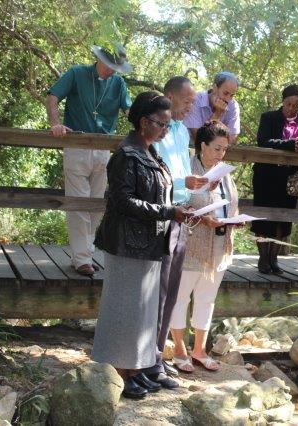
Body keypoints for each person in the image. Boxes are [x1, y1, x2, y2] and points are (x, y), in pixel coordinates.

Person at [91, 91, 191, 400]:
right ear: (144, 122)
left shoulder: (150, 152)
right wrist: (167, 212)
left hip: (148, 242)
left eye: (168, 125)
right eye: (162, 124)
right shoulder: (126, 154)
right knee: (123, 308)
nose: (166, 130)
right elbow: (122, 201)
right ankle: (118, 371)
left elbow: (159, 191)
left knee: (142, 312)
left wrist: (175, 209)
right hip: (125, 242)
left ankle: (135, 369)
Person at [138, 76, 209, 388]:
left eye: (193, 101)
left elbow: (179, 169)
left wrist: (193, 185)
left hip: (181, 211)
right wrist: (183, 183)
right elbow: (157, 172)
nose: (191, 107)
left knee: (171, 292)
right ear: (169, 96)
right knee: (156, 290)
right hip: (161, 212)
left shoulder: (180, 131)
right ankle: (146, 359)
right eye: (187, 100)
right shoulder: (157, 130)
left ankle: (157, 357)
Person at [46, 43, 132, 276]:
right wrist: (55, 124)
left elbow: (130, 111)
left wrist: (147, 124)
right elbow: (53, 97)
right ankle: (82, 259)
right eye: (111, 65)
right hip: (77, 145)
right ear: (100, 59)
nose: (113, 71)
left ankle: (85, 253)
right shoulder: (77, 73)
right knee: (79, 204)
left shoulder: (118, 83)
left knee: (96, 205)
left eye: (117, 67)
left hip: (104, 149)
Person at [169, 121, 239, 373]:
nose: (221, 154)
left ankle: (199, 350)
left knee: (206, 299)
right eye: (217, 148)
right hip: (192, 244)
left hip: (219, 245)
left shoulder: (224, 173)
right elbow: (176, 204)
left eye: (225, 149)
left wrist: (234, 219)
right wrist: (202, 219)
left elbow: (232, 203)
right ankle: (180, 349)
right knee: (180, 297)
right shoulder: (188, 168)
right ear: (202, 146)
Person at [251, 84, 298, 274]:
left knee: (284, 219)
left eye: (296, 105)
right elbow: (263, 141)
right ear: (283, 101)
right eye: (288, 104)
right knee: (263, 218)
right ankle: (263, 259)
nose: (292, 108)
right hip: (266, 176)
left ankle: (274, 258)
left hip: (292, 178)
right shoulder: (268, 117)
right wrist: (290, 144)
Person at [184, 71, 240, 144]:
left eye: (232, 95)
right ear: (215, 88)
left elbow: (232, 138)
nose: (228, 99)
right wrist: (217, 114)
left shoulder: (233, 105)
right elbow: (198, 139)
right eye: (225, 93)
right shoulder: (196, 100)